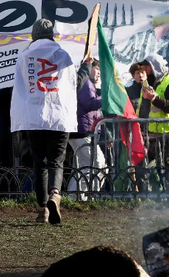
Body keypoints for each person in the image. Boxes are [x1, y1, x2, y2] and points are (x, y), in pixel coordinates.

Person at [10, 18, 77, 224]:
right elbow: (72, 83)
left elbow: (20, 88)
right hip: (58, 116)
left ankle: (42, 210)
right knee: (57, 161)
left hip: (34, 117)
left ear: (33, 35)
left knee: (39, 163)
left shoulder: (24, 56)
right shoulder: (63, 55)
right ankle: (55, 194)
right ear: (52, 35)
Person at [137, 53, 169, 192]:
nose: (145, 71)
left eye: (147, 68)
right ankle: (147, 199)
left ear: (155, 68)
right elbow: (144, 110)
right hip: (150, 135)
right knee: (142, 168)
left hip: (168, 136)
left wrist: (154, 98)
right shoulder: (148, 86)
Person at [67, 59, 106, 201]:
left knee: (83, 166)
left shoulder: (88, 84)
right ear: (89, 68)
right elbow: (90, 103)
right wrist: (107, 97)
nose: (99, 74)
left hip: (81, 130)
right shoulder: (86, 84)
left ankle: (75, 196)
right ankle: (79, 197)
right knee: (96, 164)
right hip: (82, 131)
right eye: (97, 70)